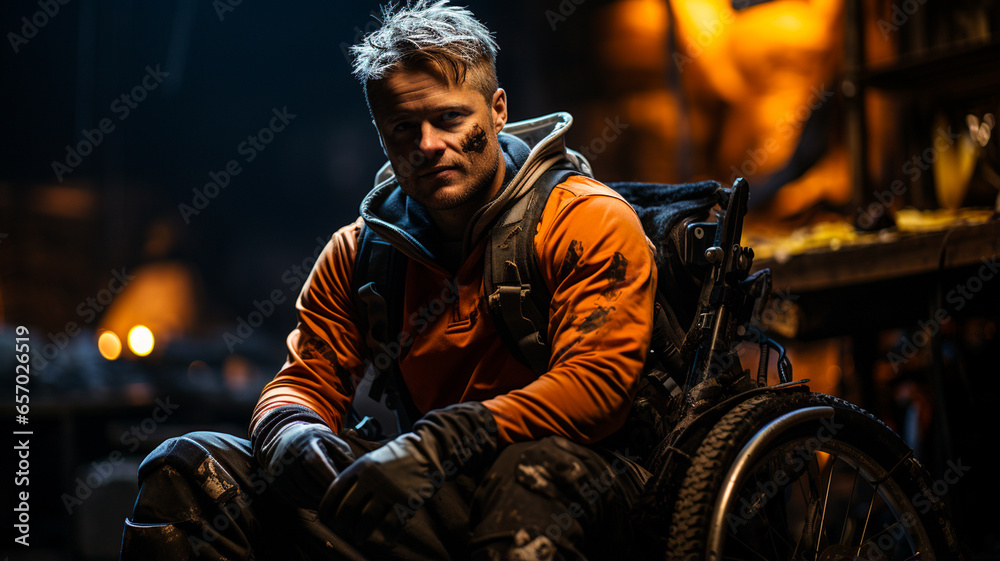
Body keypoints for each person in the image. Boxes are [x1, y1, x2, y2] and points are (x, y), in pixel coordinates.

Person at [120, 1, 657, 559]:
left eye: (450, 118)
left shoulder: (583, 219)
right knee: (186, 469)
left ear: (497, 110)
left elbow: (598, 386)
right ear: (381, 133)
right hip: (430, 483)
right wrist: (290, 430)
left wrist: (442, 442)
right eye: (403, 127)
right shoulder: (359, 253)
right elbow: (304, 379)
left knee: (529, 474)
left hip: (577, 477)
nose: (426, 144)